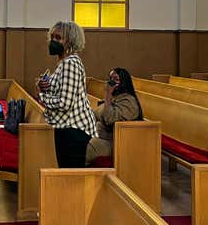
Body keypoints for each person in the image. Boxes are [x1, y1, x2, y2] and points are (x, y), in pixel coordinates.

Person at [37, 21, 97, 168]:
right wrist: (45, 87)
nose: (53, 41)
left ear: (70, 41)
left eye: (58, 38)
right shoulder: (63, 64)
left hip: (74, 132)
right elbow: (61, 92)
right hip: (66, 130)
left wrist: (41, 96)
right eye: (52, 37)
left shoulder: (70, 64)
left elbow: (65, 103)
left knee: (71, 178)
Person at [86, 68, 143, 164]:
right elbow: (94, 114)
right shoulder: (116, 98)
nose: (111, 82)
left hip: (113, 144)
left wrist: (107, 94)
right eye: (110, 78)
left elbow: (109, 119)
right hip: (100, 137)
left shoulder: (129, 102)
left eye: (116, 79)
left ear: (124, 82)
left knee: (80, 150)